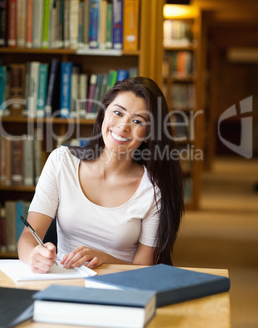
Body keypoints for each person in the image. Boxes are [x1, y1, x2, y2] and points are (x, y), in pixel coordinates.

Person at [18, 76, 184, 273]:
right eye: (117, 113)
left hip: (121, 286)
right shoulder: (61, 162)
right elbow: (29, 236)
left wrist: (103, 257)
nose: (123, 126)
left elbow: (145, 267)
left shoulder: (153, 189)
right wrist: (33, 256)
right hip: (63, 281)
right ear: (103, 114)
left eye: (137, 121)